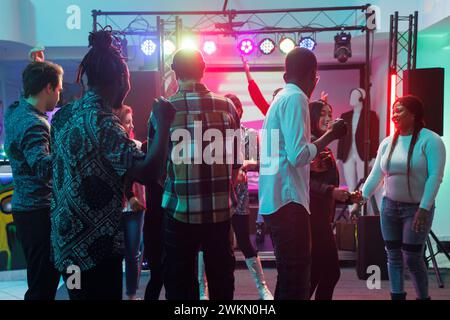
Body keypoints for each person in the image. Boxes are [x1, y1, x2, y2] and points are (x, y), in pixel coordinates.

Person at [50, 28, 175, 300]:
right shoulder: (104, 122)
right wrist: (163, 123)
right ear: (122, 79)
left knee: (76, 296)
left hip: (66, 245)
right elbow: (149, 172)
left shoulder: (62, 116)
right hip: (97, 251)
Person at [258, 47, 347, 300]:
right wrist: (331, 136)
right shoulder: (296, 98)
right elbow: (298, 156)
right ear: (313, 76)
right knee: (297, 281)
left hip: (277, 199)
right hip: (289, 201)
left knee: (289, 277)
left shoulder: (280, 98)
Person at [151, 48, 240, 300]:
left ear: (174, 73)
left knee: (180, 286)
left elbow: (156, 166)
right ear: (204, 70)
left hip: (179, 211)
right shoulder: (228, 106)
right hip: (220, 212)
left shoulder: (163, 109)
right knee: (222, 283)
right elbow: (236, 163)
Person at [362, 95, 446, 300]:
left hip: (416, 209)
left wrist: (424, 208)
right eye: (393, 110)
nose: (394, 115)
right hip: (389, 207)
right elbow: (376, 174)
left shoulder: (431, 140)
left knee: (412, 257)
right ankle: (397, 296)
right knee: (393, 256)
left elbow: (435, 177)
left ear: (414, 114)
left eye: (399, 110)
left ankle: (422, 297)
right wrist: (361, 197)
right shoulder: (388, 142)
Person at [198, 93, 273, 300]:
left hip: (238, 197)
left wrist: (247, 165)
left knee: (244, 241)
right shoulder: (214, 133)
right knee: (209, 243)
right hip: (217, 196)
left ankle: (262, 288)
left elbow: (262, 162)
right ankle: (202, 289)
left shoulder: (248, 134)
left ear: (239, 111)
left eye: (235, 108)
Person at [4, 61, 63, 300]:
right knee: (43, 285)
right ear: (48, 87)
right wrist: (67, 150)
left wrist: (37, 66)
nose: (59, 96)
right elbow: (42, 168)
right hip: (38, 212)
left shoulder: (15, 111)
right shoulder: (34, 124)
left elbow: (25, 92)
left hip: (25, 209)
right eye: (58, 89)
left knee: (39, 279)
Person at [308, 99, 360, 300]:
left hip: (321, 219)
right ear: (311, 117)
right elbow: (305, 182)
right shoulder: (311, 145)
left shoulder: (323, 145)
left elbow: (324, 186)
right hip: (313, 220)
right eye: (322, 113)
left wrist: (346, 197)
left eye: (330, 114)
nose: (328, 118)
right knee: (328, 272)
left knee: (319, 273)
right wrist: (331, 191)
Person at [114, 105, 146, 300]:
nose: (131, 125)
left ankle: (132, 295)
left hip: (136, 207)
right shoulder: (111, 148)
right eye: (127, 121)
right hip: (116, 206)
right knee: (116, 255)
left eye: (131, 121)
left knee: (133, 254)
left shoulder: (136, 145)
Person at [337, 88, 379, 214]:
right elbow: (342, 137)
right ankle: (352, 215)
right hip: (348, 154)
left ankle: (362, 214)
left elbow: (374, 136)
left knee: (363, 185)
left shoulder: (370, 115)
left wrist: (373, 156)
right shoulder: (345, 116)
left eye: (354, 96)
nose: (351, 99)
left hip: (363, 154)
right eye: (351, 96)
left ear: (361, 98)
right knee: (350, 185)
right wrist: (339, 155)